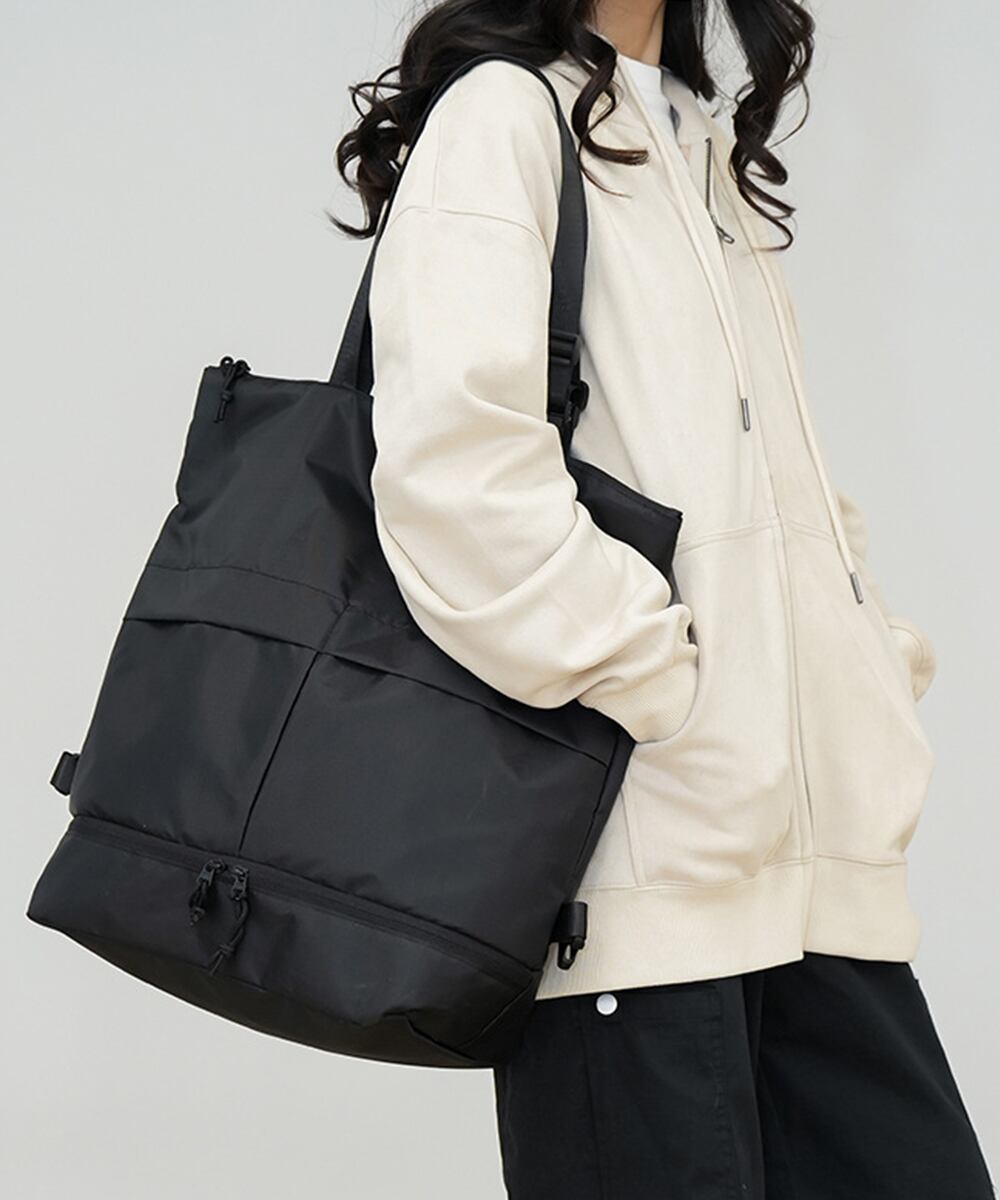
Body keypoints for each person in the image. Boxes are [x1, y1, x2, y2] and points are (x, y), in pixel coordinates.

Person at [333, 1, 995, 1195]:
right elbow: (453, 475)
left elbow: (777, 478)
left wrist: (866, 666)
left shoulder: (695, 133)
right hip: (631, 900)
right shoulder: (505, 113)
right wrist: (671, 692)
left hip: (807, 887)